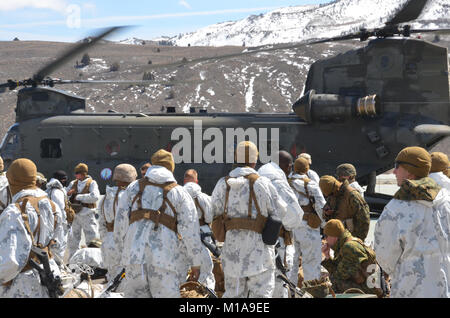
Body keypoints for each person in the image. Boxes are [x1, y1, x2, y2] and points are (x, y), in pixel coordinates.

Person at [118, 150, 204, 298]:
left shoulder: (133, 188)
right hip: (164, 262)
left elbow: (120, 223)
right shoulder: (179, 193)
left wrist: (124, 252)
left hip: (134, 260)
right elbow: (191, 232)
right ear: (171, 167)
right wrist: (195, 263)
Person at [210, 141, 286, 298]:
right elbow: (281, 211)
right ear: (254, 160)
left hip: (232, 254)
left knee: (233, 296)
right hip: (260, 255)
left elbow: (213, 213)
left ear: (236, 158)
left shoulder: (222, 184)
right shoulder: (262, 183)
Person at [374, 146, 450, 298]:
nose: (394, 172)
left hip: (411, 290)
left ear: (409, 171)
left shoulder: (396, 208)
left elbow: (385, 259)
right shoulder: (446, 200)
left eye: (397, 166)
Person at [0, 158, 64, 297]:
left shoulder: (14, 212)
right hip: (49, 277)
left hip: (22, 285)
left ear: (12, 180)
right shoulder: (53, 206)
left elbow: (10, 262)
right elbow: (59, 246)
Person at [257, 151, 303, 298]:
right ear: (288, 166)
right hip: (277, 241)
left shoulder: (257, 177)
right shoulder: (278, 182)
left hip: (255, 242)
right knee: (279, 283)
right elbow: (294, 216)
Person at [288, 156, 326, 286]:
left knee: (290, 264)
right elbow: (321, 207)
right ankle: (310, 292)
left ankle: (289, 293)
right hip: (308, 228)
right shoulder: (310, 184)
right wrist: (324, 225)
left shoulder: (286, 183)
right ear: (307, 169)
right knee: (311, 264)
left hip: (290, 227)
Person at [321, 219, 384, 297]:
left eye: (326, 236)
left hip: (370, 290)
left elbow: (339, 275)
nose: (325, 239)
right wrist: (327, 256)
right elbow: (338, 269)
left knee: (333, 282)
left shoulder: (349, 247)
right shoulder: (344, 244)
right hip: (367, 285)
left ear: (334, 236)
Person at [98, 164, 137, 281]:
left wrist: (106, 240)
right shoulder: (127, 196)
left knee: (112, 279)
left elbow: (101, 224)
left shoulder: (106, 196)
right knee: (124, 281)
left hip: (108, 242)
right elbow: (125, 224)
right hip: (124, 243)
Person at [182, 169, 216, 291]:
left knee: (181, 270)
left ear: (185, 180)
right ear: (196, 181)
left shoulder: (177, 196)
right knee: (205, 271)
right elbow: (210, 217)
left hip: (182, 235)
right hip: (202, 236)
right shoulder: (205, 198)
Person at [319, 175, 370, 241]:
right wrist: (327, 213)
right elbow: (325, 211)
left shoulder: (352, 195)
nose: (330, 196)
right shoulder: (332, 195)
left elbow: (364, 219)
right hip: (338, 237)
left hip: (352, 237)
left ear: (335, 188)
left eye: (331, 194)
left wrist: (359, 239)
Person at [66, 163, 101, 259]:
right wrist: (69, 194)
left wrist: (78, 196)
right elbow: (65, 194)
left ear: (83, 173)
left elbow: (95, 197)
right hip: (75, 215)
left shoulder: (91, 183)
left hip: (87, 214)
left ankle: (94, 260)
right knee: (73, 239)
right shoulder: (73, 183)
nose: (76, 175)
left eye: (78, 173)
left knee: (92, 238)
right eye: (75, 173)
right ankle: (73, 260)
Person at [46, 170, 70, 262]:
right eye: (64, 179)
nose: (65, 181)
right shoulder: (57, 192)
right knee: (59, 246)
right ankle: (58, 268)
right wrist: (65, 223)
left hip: (51, 222)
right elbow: (60, 209)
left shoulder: (49, 190)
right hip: (58, 224)